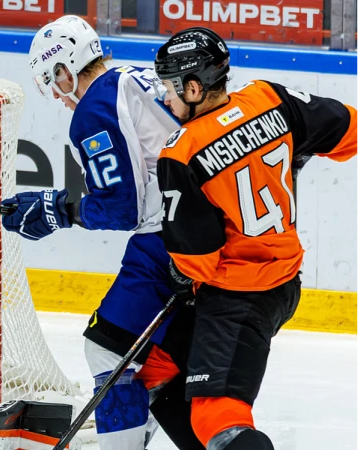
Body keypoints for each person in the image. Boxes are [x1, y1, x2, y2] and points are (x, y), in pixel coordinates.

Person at [153, 27, 358, 449]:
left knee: (218, 417)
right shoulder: (270, 98)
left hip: (239, 295)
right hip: (284, 282)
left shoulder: (181, 152)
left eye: (169, 87)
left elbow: (198, 259)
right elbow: (347, 130)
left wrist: (178, 272)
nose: (164, 98)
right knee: (156, 367)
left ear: (193, 86)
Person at [2, 14, 202, 450]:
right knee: (148, 359)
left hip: (171, 240)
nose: (57, 97)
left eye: (53, 83)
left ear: (64, 69)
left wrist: (57, 210)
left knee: (108, 350)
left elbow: (122, 208)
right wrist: (59, 206)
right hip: (204, 227)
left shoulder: (93, 107)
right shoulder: (133, 76)